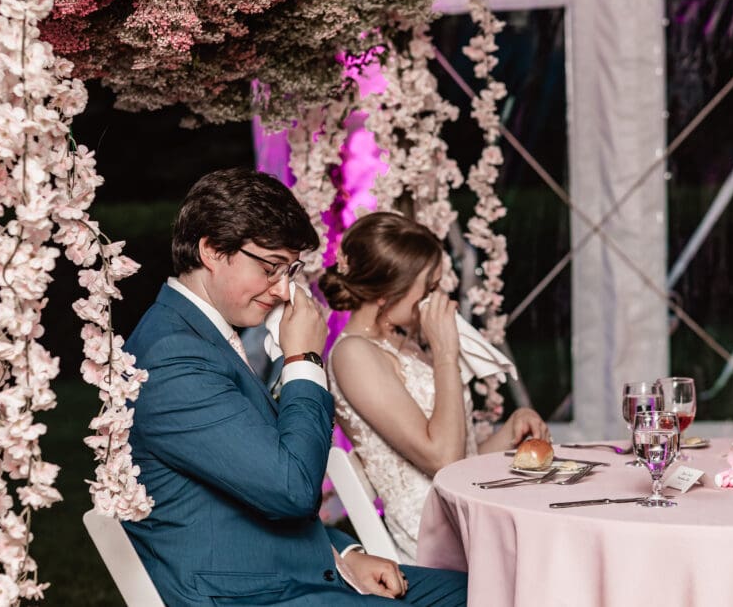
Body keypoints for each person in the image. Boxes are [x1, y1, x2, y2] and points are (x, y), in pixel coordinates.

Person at [122, 169, 467, 606]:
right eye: (269, 268)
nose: (284, 288)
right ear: (211, 250)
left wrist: (345, 553)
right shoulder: (173, 356)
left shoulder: (202, 337)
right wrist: (303, 360)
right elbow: (291, 490)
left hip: (296, 572)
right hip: (255, 596)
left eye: (290, 270)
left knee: (487, 588)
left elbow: (251, 481)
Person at [318, 212, 548, 562]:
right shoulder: (353, 355)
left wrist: (511, 431)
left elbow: (458, 453)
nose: (440, 299)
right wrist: (445, 353)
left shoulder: (403, 343)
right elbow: (443, 459)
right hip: (437, 537)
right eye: (428, 289)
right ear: (385, 294)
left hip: (468, 510)